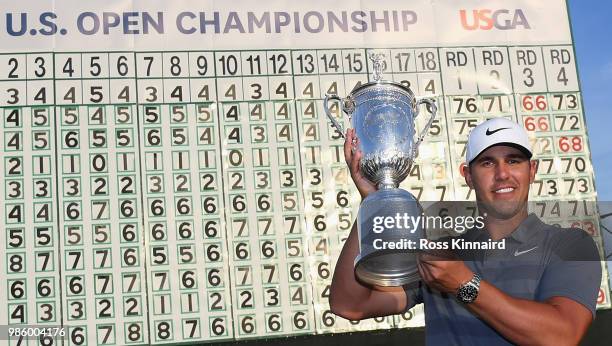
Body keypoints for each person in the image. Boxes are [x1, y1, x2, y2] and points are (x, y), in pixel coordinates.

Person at [330, 118, 602, 345]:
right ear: (468, 175)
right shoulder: (441, 253)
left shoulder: (570, 245)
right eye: (487, 163)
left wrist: (464, 284)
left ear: (532, 171)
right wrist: (373, 204)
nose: (503, 174)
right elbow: (350, 304)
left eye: (514, 161)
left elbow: (561, 336)